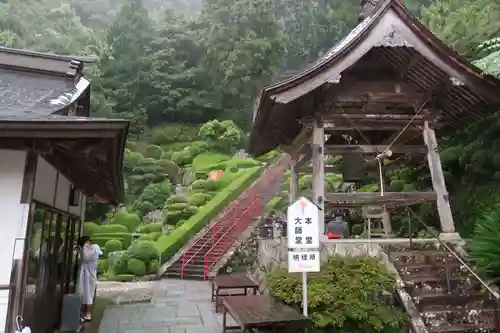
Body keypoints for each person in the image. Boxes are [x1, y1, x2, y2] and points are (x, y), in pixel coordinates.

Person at [76, 236, 102, 321]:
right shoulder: (94, 248)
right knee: (88, 293)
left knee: (87, 293)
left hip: (87, 275)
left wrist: (82, 248)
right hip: (89, 274)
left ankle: (88, 313)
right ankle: (86, 313)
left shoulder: (90, 248)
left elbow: (85, 258)